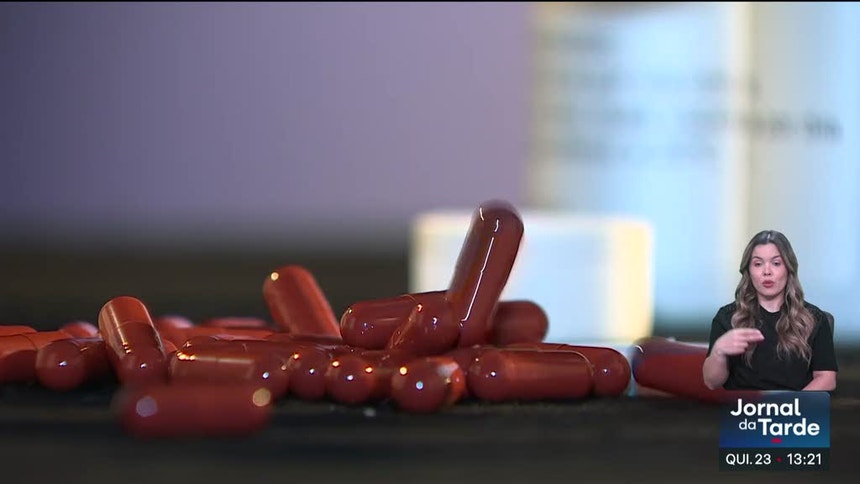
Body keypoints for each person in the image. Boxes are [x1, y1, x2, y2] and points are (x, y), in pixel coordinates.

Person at [703, 230, 837, 391]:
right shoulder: (727, 317)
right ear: (748, 270)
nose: (767, 272)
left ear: (788, 268)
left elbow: (827, 378)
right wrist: (718, 351)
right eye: (758, 264)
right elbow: (711, 382)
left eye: (776, 263)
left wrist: (792, 404)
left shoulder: (814, 318)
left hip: (794, 405)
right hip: (743, 405)